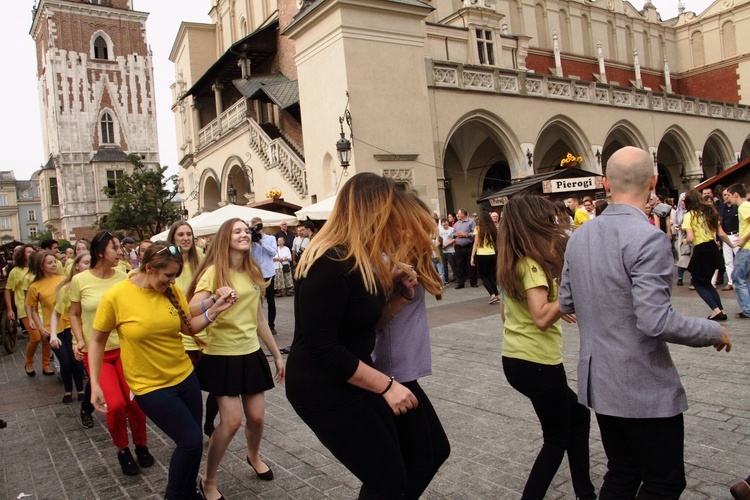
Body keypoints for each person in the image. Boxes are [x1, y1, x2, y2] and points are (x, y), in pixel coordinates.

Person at [559, 146, 732, 499]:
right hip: (641, 382)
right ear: (653, 182)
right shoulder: (648, 237)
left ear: (606, 184)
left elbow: (566, 300)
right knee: (663, 481)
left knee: (622, 471)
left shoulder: (579, 236)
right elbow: (655, 320)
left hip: (601, 380)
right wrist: (712, 329)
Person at [286, 173, 435, 498]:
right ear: (374, 211)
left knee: (420, 458)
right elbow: (323, 348)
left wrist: (398, 297)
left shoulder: (362, 259)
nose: (398, 221)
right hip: (321, 389)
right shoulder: (326, 261)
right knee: (388, 479)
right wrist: (387, 386)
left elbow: (364, 323)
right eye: (392, 211)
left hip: (352, 378)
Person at [89, 243, 237, 500]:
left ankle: (189, 492)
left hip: (184, 377)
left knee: (192, 447)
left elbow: (188, 326)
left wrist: (214, 311)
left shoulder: (171, 291)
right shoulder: (116, 296)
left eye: (175, 276)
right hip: (150, 386)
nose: (172, 281)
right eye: (167, 275)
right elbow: (97, 340)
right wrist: (95, 383)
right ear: (148, 268)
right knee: (190, 442)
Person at [497, 195, 596, 500]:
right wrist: (564, 301)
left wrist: (554, 306)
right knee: (556, 438)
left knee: (578, 416)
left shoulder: (514, 263)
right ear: (534, 224)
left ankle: (585, 492)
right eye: (548, 218)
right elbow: (541, 317)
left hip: (518, 359)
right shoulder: (532, 266)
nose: (554, 222)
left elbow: (510, 312)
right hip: (537, 363)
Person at [187, 218, 285, 500]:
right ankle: (209, 480)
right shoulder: (213, 274)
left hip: (250, 353)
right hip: (221, 355)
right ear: (225, 238)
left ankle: (253, 456)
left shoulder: (251, 270)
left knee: (256, 418)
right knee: (230, 422)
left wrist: (276, 355)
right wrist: (211, 301)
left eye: (246, 230)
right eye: (237, 231)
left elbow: (258, 317)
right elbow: (190, 309)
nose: (244, 234)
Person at [372, 196, 449, 500]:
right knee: (418, 459)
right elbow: (373, 320)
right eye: (420, 222)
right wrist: (400, 293)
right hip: (392, 372)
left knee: (423, 456)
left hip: (403, 369)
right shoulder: (386, 262)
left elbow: (435, 286)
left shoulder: (407, 258)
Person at [70, 231, 152, 476]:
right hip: (97, 353)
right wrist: (78, 339)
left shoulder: (124, 277)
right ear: (99, 252)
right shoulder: (80, 280)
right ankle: (122, 449)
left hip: (126, 349)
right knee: (114, 404)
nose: (120, 252)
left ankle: (141, 444)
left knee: (136, 402)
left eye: (120, 247)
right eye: (115, 248)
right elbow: (74, 313)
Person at [682, 189, 733, 320]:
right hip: (712, 247)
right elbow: (721, 233)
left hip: (701, 250)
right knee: (707, 283)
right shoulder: (710, 211)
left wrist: (684, 240)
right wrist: (732, 245)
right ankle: (721, 310)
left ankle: (716, 310)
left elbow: (691, 238)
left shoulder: (689, 215)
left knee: (697, 283)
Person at [49, 252, 90, 406]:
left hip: (96, 335)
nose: (89, 266)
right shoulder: (67, 288)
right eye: (86, 262)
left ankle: (83, 395)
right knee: (68, 363)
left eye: (92, 263)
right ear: (77, 266)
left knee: (83, 367)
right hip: (73, 334)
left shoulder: (98, 284)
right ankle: (75, 396)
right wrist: (53, 334)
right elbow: (56, 313)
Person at [25, 251, 67, 386]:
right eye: (50, 263)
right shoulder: (35, 286)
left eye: (54, 262)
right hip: (51, 327)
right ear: (41, 266)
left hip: (68, 323)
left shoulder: (62, 279)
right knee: (63, 359)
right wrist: (41, 327)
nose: (54, 265)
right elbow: (33, 309)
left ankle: (78, 389)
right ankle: (66, 383)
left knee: (73, 359)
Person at [250, 217, 278, 335]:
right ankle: (257, 325)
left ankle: (271, 325)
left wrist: (261, 242)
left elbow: (273, 252)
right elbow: (248, 256)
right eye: (255, 226)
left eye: (259, 225)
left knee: (270, 301)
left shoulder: (270, 238)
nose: (257, 228)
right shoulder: (251, 241)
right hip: (256, 274)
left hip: (268, 273)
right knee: (256, 301)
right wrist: (252, 241)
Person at [729, 183, 750, 319]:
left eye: (729, 195)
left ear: (736, 194)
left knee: (738, 278)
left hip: (747, 248)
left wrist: (743, 240)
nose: (728, 199)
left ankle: (747, 309)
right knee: (744, 278)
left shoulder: (744, 207)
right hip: (746, 246)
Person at [471, 211, 500, 304]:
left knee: (484, 276)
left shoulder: (478, 229)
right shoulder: (493, 228)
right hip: (492, 254)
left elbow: (476, 243)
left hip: (482, 254)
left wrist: (472, 256)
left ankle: (492, 294)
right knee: (491, 275)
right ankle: (497, 294)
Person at [718, 188, 740, 291]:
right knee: (728, 261)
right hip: (725, 236)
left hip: (736, 235)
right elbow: (718, 224)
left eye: (728, 194)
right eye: (724, 195)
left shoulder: (737, 207)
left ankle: (740, 280)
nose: (726, 196)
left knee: (739, 259)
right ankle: (731, 282)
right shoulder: (721, 208)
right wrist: (719, 238)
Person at [453, 209, 477, 289]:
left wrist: (466, 235)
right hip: (459, 246)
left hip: (469, 246)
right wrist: (456, 234)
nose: (457, 215)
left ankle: (473, 282)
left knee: (471, 264)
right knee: (460, 265)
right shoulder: (457, 223)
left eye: (459, 213)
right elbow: (452, 233)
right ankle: (461, 283)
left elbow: (475, 232)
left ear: (463, 214)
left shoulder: (471, 222)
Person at [438, 218, 456, 283]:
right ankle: (446, 279)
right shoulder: (439, 230)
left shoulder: (452, 229)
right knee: (444, 265)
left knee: (452, 265)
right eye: (444, 225)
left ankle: (456, 277)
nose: (445, 226)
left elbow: (454, 239)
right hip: (442, 250)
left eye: (446, 224)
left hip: (450, 250)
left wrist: (447, 244)